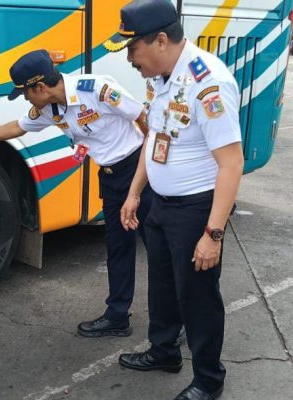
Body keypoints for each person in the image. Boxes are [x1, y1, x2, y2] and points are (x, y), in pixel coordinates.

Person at [0, 49, 153, 338]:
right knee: (118, 248)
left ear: (41, 88)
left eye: (25, 94)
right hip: (109, 177)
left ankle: (177, 319)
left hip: (137, 171)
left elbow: (142, 118)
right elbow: (18, 127)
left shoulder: (97, 89)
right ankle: (117, 316)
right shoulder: (49, 108)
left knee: (158, 248)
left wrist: (151, 168)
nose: (25, 100)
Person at [105, 1, 244, 399]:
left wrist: (213, 234)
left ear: (161, 40)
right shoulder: (161, 77)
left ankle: (208, 380)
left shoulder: (208, 82)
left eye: (132, 50)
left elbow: (231, 164)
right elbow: (154, 137)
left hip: (196, 210)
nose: (130, 59)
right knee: (163, 286)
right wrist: (134, 194)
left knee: (198, 297)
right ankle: (164, 351)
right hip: (160, 204)